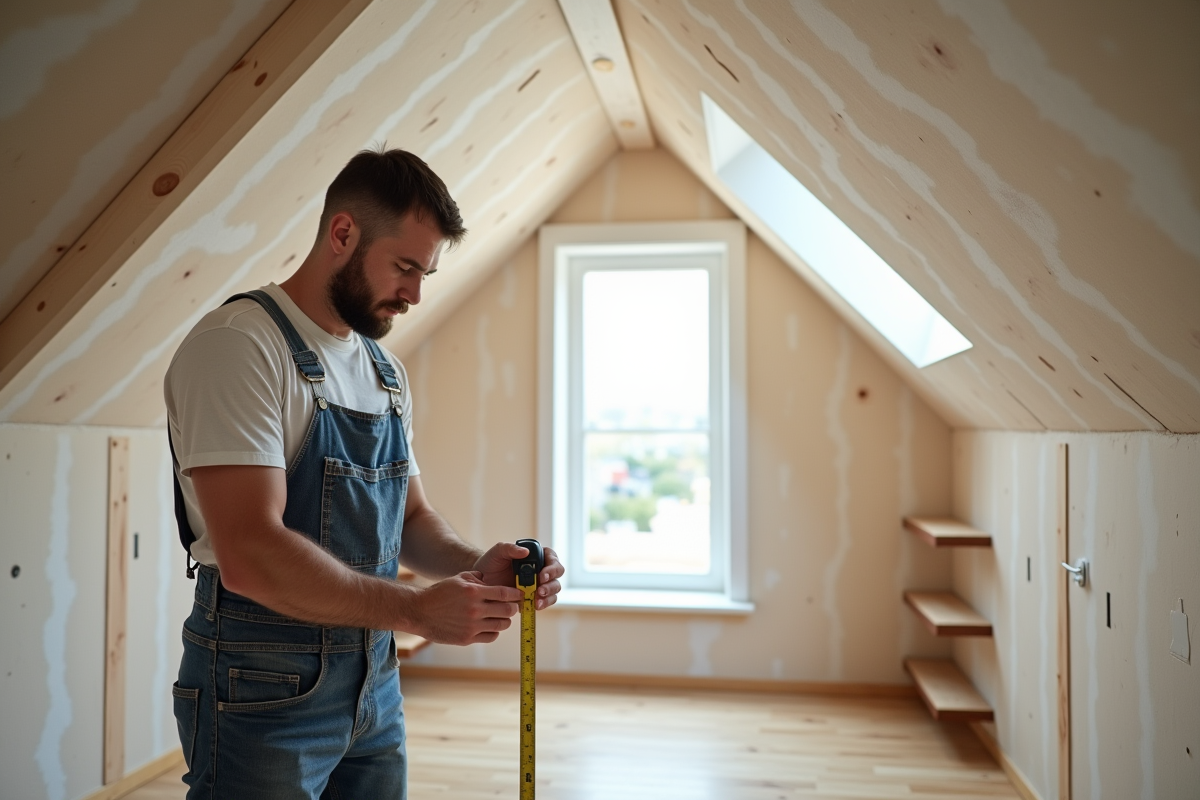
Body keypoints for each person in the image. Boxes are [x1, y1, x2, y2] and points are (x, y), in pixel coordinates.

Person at [164, 147, 563, 799]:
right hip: (261, 678)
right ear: (342, 233)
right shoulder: (238, 346)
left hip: (373, 680)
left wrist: (478, 564)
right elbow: (249, 553)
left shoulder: (384, 372)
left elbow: (408, 519)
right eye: (405, 267)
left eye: (426, 273)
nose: (414, 294)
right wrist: (415, 611)